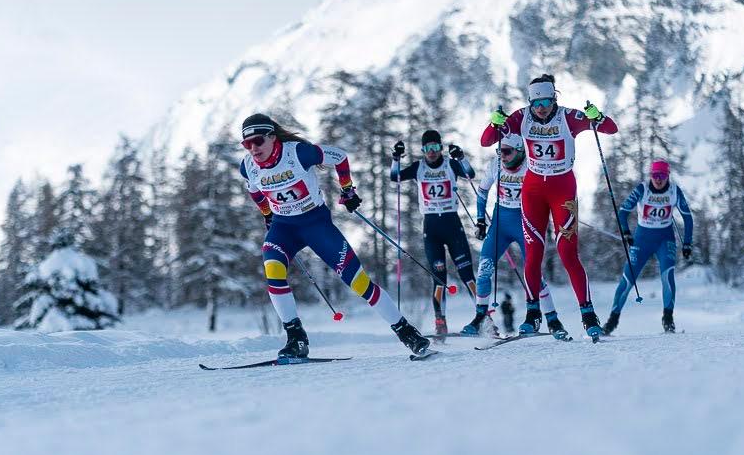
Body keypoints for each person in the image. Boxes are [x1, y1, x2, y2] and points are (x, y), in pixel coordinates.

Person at [239, 113, 430, 357]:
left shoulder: (298, 153)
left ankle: (406, 332)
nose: (253, 148)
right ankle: (296, 339)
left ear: (272, 137)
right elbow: (255, 192)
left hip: (315, 224)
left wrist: (348, 190)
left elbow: (339, 156)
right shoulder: (247, 166)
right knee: (272, 269)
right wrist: (267, 213)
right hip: (283, 227)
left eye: (258, 141)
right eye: (247, 144)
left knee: (358, 282)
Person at [481, 74, 618, 338]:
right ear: (530, 102)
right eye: (536, 102)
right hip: (532, 191)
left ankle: (588, 314)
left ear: (554, 98)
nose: (541, 107)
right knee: (533, 255)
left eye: (546, 100)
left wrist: (597, 116)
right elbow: (487, 141)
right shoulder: (521, 117)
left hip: (562, 190)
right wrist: (495, 123)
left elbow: (611, 129)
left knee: (568, 253)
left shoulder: (569, 118)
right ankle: (533, 315)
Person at [462, 132, 566, 338]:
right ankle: (480, 317)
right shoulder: (496, 165)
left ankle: (552, 319)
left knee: (533, 273)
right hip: (501, 223)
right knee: (483, 270)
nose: (503, 156)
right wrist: (481, 220)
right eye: (500, 151)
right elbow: (482, 192)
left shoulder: (532, 167)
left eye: (507, 152)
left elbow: (549, 193)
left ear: (519, 152)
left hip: (525, 222)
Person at [390, 129, 477, 335]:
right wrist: (396, 158)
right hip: (431, 228)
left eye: (436, 147)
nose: (432, 152)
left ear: (440, 147)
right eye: (428, 148)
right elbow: (395, 177)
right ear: (422, 150)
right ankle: (440, 321)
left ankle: (484, 315)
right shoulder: (418, 167)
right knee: (438, 278)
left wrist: (462, 158)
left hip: (452, 223)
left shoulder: (450, 164)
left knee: (467, 274)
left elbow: (470, 174)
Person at [602, 160, 694, 334]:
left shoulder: (674, 191)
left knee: (668, 276)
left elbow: (688, 218)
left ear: (668, 176)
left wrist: (687, 243)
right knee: (627, 280)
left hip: (664, 240)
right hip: (642, 240)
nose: (658, 180)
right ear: (650, 176)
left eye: (662, 176)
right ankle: (611, 321)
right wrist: (626, 233)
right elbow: (622, 212)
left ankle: (668, 319)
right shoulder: (642, 190)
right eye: (655, 175)